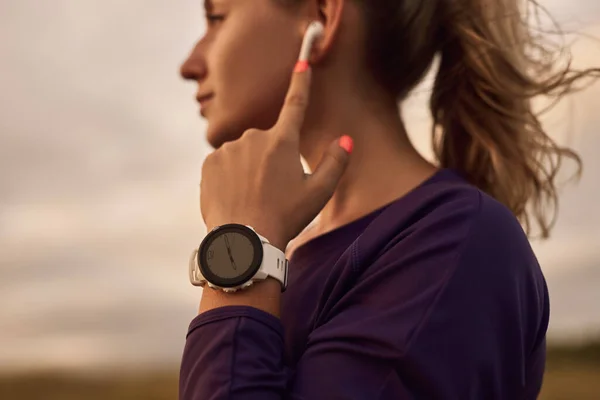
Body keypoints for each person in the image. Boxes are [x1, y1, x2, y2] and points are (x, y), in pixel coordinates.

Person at [178, 0, 598, 398]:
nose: (189, 65)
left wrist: (238, 248)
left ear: (320, 17)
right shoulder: (303, 252)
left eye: (216, 17)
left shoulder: (455, 242)